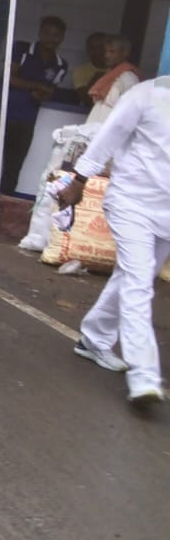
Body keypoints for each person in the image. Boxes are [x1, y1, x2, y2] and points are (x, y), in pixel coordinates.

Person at [58, 76, 170, 410]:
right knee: (138, 281)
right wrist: (78, 180)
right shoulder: (145, 95)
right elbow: (106, 140)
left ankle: (94, 338)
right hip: (131, 204)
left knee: (135, 277)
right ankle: (144, 377)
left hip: (167, 214)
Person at [0, 15, 69, 222]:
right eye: (47, 33)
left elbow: (51, 90)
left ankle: (2, 210)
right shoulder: (21, 49)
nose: (51, 39)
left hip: (27, 118)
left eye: (56, 35)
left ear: (62, 38)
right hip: (1, 111)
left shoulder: (60, 64)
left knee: (13, 166)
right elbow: (10, 77)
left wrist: (42, 93)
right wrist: (37, 86)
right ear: (40, 33)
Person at [86, 35, 140, 124]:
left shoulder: (128, 77)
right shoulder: (109, 75)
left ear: (125, 53)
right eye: (105, 51)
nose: (107, 55)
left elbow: (131, 109)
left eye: (112, 51)